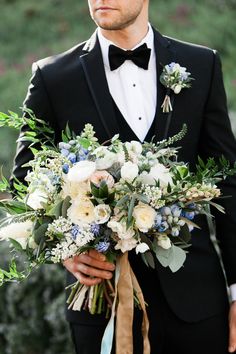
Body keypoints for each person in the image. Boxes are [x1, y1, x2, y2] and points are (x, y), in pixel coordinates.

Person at [12, 0, 236, 353]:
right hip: (102, 308)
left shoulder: (200, 64)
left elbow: (227, 184)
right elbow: (24, 182)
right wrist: (63, 252)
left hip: (198, 307)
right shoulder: (52, 77)